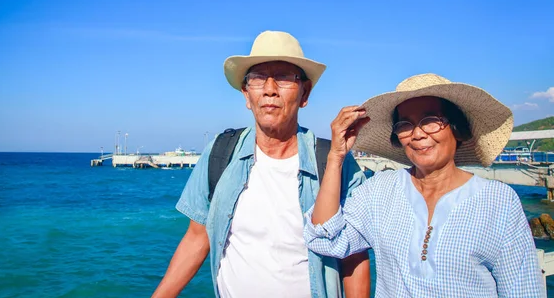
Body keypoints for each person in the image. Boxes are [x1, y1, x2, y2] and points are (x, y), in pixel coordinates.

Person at [152, 31, 370, 298]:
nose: (269, 89)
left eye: (283, 77)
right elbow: (198, 237)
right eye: (257, 78)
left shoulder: (333, 161)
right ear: (246, 94)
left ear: (305, 93)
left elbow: (354, 257)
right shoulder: (221, 153)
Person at [305, 73, 546, 297]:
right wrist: (336, 156)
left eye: (430, 121)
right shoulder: (379, 190)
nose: (417, 134)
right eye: (406, 125)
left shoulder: (498, 200)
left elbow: (523, 290)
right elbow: (326, 238)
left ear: (457, 129)